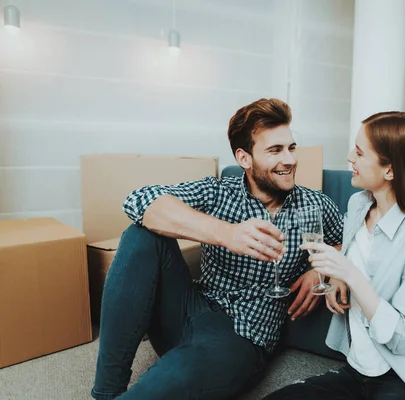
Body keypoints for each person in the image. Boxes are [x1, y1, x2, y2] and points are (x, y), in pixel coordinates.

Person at [90, 98, 343, 400]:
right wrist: (226, 233)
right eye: (275, 151)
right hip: (190, 306)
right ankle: (106, 391)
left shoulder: (315, 204)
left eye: (291, 147)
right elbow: (138, 201)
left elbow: (347, 238)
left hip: (241, 336)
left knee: (160, 387)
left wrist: (320, 270)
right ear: (244, 158)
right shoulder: (218, 191)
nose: (289, 160)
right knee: (141, 234)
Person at [263, 112, 405, 400]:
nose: (350, 157)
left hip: (402, 377)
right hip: (356, 370)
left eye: (360, 152)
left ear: (389, 170)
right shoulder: (359, 204)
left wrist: (349, 274)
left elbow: (401, 339)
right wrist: (337, 278)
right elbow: (357, 254)